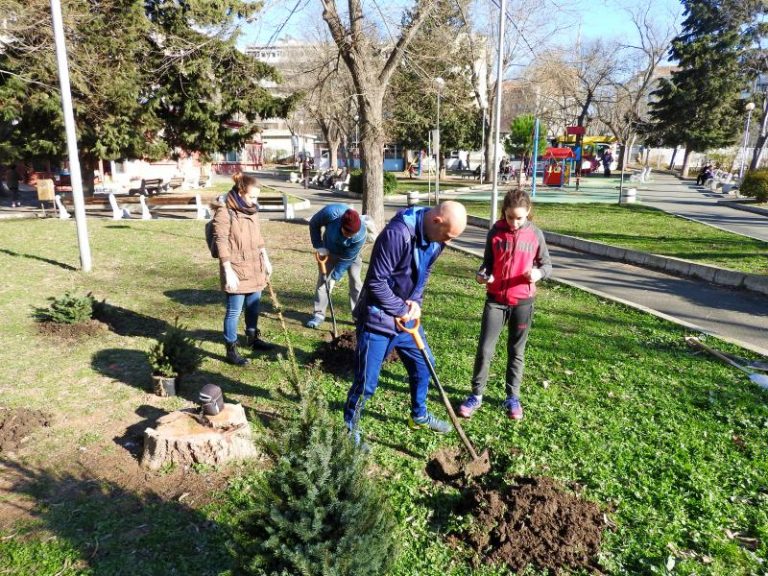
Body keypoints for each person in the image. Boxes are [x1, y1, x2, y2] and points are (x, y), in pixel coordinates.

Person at [343, 201, 468, 446]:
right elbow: (376, 282)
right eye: (448, 235)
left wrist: (415, 301)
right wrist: (401, 309)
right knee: (366, 382)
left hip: (405, 318)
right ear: (436, 221)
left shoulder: (437, 239)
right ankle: (350, 430)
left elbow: (424, 273)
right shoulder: (397, 234)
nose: (448, 242)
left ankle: (419, 415)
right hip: (378, 318)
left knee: (424, 365)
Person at [458, 189, 552, 421]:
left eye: (519, 218)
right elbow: (486, 264)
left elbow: (547, 265)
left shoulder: (535, 234)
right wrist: (482, 275)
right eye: (510, 217)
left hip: (523, 302)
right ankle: (476, 395)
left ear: (528, 212)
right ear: (504, 212)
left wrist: (538, 273)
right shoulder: (496, 233)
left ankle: (512, 397)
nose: (514, 222)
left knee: (516, 351)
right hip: (495, 301)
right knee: (485, 349)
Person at [213, 172, 274, 366]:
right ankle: (231, 349)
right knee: (234, 311)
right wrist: (227, 270)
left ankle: (253, 338)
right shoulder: (225, 211)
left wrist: (266, 257)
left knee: (253, 306)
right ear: (240, 192)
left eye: (257, 197)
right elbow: (221, 242)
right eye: (252, 196)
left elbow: (258, 236)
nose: (255, 201)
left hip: (256, 266)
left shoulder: (252, 210)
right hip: (237, 268)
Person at [306, 204, 367, 329]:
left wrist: (334, 277)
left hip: (351, 256)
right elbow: (314, 223)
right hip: (328, 250)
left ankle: (358, 316)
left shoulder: (360, 235)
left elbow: (347, 259)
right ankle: (319, 315)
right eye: (346, 234)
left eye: (351, 235)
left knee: (356, 282)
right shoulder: (331, 213)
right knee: (323, 282)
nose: (348, 238)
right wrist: (319, 246)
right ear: (341, 225)